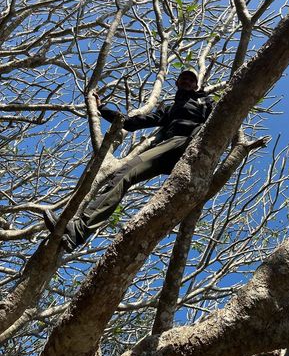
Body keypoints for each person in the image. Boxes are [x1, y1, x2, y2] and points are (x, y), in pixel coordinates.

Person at [43, 70, 213, 252]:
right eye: (184, 78)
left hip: (192, 141)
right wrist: (102, 109)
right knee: (123, 173)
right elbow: (134, 123)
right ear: (177, 82)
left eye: (191, 79)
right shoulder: (169, 108)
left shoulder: (205, 101)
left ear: (196, 85)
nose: (187, 81)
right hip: (170, 147)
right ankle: (77, 232)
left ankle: (78, 229)